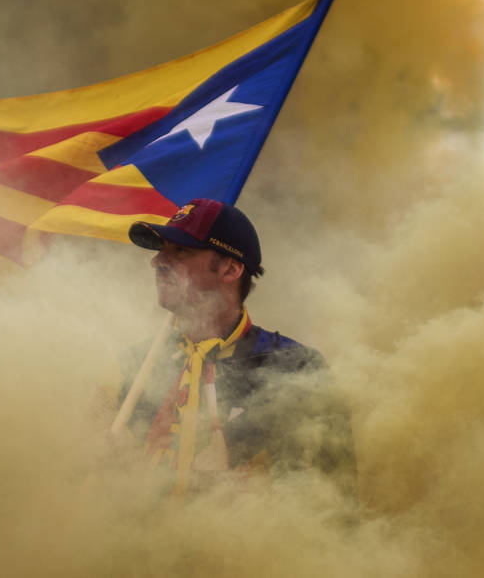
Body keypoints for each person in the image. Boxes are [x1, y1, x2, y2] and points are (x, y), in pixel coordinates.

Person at [117, 198, 355, 497]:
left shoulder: (292, 367)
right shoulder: (136, 365)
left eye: (181, 250)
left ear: (230, 269)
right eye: (162, 249)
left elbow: (334, 499)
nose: (158, 261)